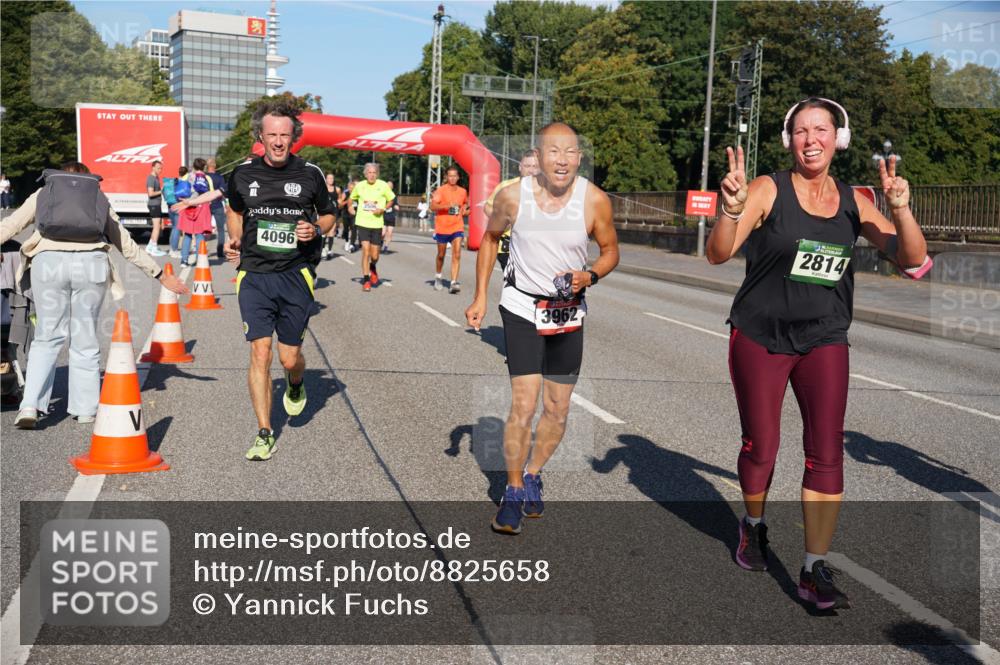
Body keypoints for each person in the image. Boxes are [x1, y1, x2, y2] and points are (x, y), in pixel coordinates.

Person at [706, 97, 931, 611]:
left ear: (838, 138)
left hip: (825, 337)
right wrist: (732, 209)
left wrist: (900, 207)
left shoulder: (855, 198)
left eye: (822, 130)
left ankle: (812, 568)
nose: (812, 139)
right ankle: (754, 526)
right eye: (802, 130)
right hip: (760, 336)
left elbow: (913, 261)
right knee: (761, 447)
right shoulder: (768, 188)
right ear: (790, 140)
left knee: (826, 451)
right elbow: (718, 253)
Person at [465, 123, 619, 535]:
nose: (562, 160)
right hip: (521, 307)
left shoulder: (594, 200)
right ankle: (513, 490)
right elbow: (489, 240)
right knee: (524, 404)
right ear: (539, 154)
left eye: (569, 152)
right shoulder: (513, 197)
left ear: (579, 157)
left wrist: (591, 275)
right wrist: (481, 296)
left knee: (558, 408)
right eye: (553, 151)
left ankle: (533, 473)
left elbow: (610, 251)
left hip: (568, 313)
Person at [1, 161, 187, 429]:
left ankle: (31, 405)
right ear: (87, 178)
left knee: (47, 336)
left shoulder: (45, 192)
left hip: (49, 263)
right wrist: (159, 274)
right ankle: (85, 409)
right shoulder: (96, 196)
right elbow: (124, 242)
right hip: (91, 264)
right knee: (85, 337)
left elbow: (11, 225)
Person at [222, 100, 335, 460]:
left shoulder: (310, 174)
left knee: (288, 359)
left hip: (295, 274)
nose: (278, 141)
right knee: (260, 352)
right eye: (272, 134)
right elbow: (234, 210)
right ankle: (264, 431)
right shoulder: (242, 174)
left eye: (285, 135)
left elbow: (330, 216)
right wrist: (235, 236)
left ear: (294, 138)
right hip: (253, 273)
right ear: (261, 136)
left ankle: (296, 381)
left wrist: (315, 227)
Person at [485, 150, 540, 271]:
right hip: (508, 246)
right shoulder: (506, 187)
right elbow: (488, 207)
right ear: (520, 167)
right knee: (514, 280)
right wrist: (501, 221)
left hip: (535, 247)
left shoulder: (546, 189)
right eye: (527, 166)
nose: (531, 170)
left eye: (535, 166)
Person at [348, 163, 394, 292]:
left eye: (374, 172)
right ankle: (366, 280)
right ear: (365, 174)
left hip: (377, 224)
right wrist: (350, 207)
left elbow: (391, 199)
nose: (372, 175)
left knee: (375, 256)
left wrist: (383, 209)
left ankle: (372, 266)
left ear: (377, 174)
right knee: (365, 251)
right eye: (369, 172)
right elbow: (351, 199)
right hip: (362, 222)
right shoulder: (360, 186)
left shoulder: (383, 185)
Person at [431, 165, 469, 293]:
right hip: (442, 227)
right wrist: (447, 206)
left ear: (458, 177)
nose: (452, 178)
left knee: (457, 253)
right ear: (446, 177)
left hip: (457, 226)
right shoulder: (440, 190)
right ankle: (438, 277)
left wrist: (465, 211)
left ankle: (453, 282)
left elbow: (464, 205)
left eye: (455, 176)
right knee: (441, 255)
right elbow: (433, 206)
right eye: (450, 176)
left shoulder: (463, 191)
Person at [178, 160, 213, 267]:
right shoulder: (207, 178)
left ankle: (184, 260)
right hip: (201, 207)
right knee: (199, 234)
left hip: (188, 206)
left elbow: (180, 189)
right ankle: (199, 260)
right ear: (204, 167)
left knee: (187, 234)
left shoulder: (187, 177)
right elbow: (211, 194)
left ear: (193, 166)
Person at [206, 158, 228, 259]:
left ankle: (202, 250)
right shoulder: (220, 177)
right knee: (221, 230)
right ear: (215, 166)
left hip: (205, 205)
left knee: (204, 229)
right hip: (218, 205)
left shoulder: (204, 177)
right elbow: (223, 193)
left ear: (207, 166)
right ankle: (220, 252)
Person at [168, 166, 191, 258]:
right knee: (177, 229)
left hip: (170, 206)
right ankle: (174, 250)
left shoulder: (174, 181)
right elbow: (188, 195)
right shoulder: (185, 183)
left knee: (173, 228)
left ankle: (171, 249)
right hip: (178, 207)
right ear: (186, 173)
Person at [145, 160, 166, 256]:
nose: (160, 170)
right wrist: (161, 191)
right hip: (154, 205)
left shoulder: (156, 178)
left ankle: (150, 246)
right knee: (157, 227)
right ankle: (154, 248)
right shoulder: (151, 178)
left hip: (156, 204)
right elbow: (150, 193)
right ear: (153, 167)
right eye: (158, 168)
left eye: (161, 168)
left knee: (156, 227)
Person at [322, 172, 341, 260]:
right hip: (325, 212)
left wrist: (339, 204)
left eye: (332, 178)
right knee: (324, 232)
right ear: (326, 179)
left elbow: (340, 199)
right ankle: (322, 249)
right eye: (329, 178)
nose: (331, 180)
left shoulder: (337, 189)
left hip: (334, 212)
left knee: (332, 231)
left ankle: (329, 250)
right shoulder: (322, 188)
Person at [381, 180, 400, 252]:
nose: (389, 187)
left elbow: (396, 204)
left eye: (390, 186)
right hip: (383, 216)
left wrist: (397, 207)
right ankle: (381, 242)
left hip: (391, 217)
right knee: (382, 233)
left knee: (390, 233)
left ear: (392, 188)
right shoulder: (382, 195)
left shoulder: (393, 196)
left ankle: (386, 247)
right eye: (388, 186)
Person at [340, 178, 357, 252]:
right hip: (346, 214)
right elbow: (340, 204)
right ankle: (347, 242)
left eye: (353, 188)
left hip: (354, 214)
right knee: (346, 229)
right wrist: (347, 201)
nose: (351, 189)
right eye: (350, 188)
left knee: (354, 229)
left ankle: (352, 244)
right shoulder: (345, 194)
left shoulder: (357, 195)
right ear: (348, 188)